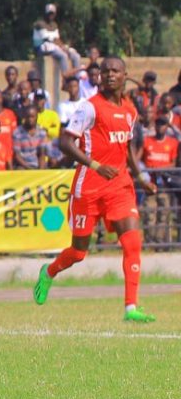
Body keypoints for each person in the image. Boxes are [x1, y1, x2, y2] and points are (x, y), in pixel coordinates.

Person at [36, 56, 156, 322]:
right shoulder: (89, 108)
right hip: (88, 187)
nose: (110, 75)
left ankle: (131, 308)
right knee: (78, 252)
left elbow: (126, 149)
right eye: (105, 71)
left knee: (133, 242)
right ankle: (50, 272)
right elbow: (65, 142)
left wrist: (141, 176)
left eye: (115, 71)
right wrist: (94, 164)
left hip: (119, 187)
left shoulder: (130, 110)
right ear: (99, 77)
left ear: (125, 75)